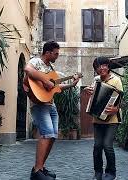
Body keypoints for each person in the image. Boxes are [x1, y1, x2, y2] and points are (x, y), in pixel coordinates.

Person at [24, 41, 80, 180]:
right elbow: (28, 70)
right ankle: (36, 171)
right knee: (47, 134)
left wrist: (72, 84)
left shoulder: (51, 68)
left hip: (51, 105)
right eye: (56, 53)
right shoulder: (36, 61)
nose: (57, 56)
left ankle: (41, 167)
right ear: (48, 52)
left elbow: (54, 88)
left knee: (53, 136)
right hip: (39, 104)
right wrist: (45, 80)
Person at [84, 56, 123, 180]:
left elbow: (121, 100)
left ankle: (111, 173)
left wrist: (116, 109)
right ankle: (98, 172)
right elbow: (93, 96)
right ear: (96, 69)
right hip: (97, 119)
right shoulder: (96, 80)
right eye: (98, 66)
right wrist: (87, 90)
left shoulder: (116, 80)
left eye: (104, 65)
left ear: (108, 66)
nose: (102, 68)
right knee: (97, 146)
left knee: (107, 146)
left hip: (112, 120)